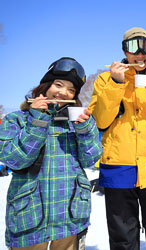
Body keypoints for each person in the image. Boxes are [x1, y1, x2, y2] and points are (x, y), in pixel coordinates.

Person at [88, 27, 146, 250]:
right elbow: (100, 120)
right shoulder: (105, 79)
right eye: (133, 47)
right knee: (123, 236)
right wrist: (116, 83)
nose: (140, 54)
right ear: (125, 51)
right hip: (117, 165)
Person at [0, 57, 103, 249]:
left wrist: (85, 130)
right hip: (29, 217)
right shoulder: (17, 119)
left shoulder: (76, 122)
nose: (63, 92)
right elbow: (14, 160)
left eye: (71, 90)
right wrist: (38, 121)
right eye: (58, 84)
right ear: (45, 86)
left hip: (70, 215)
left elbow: (91, 159)